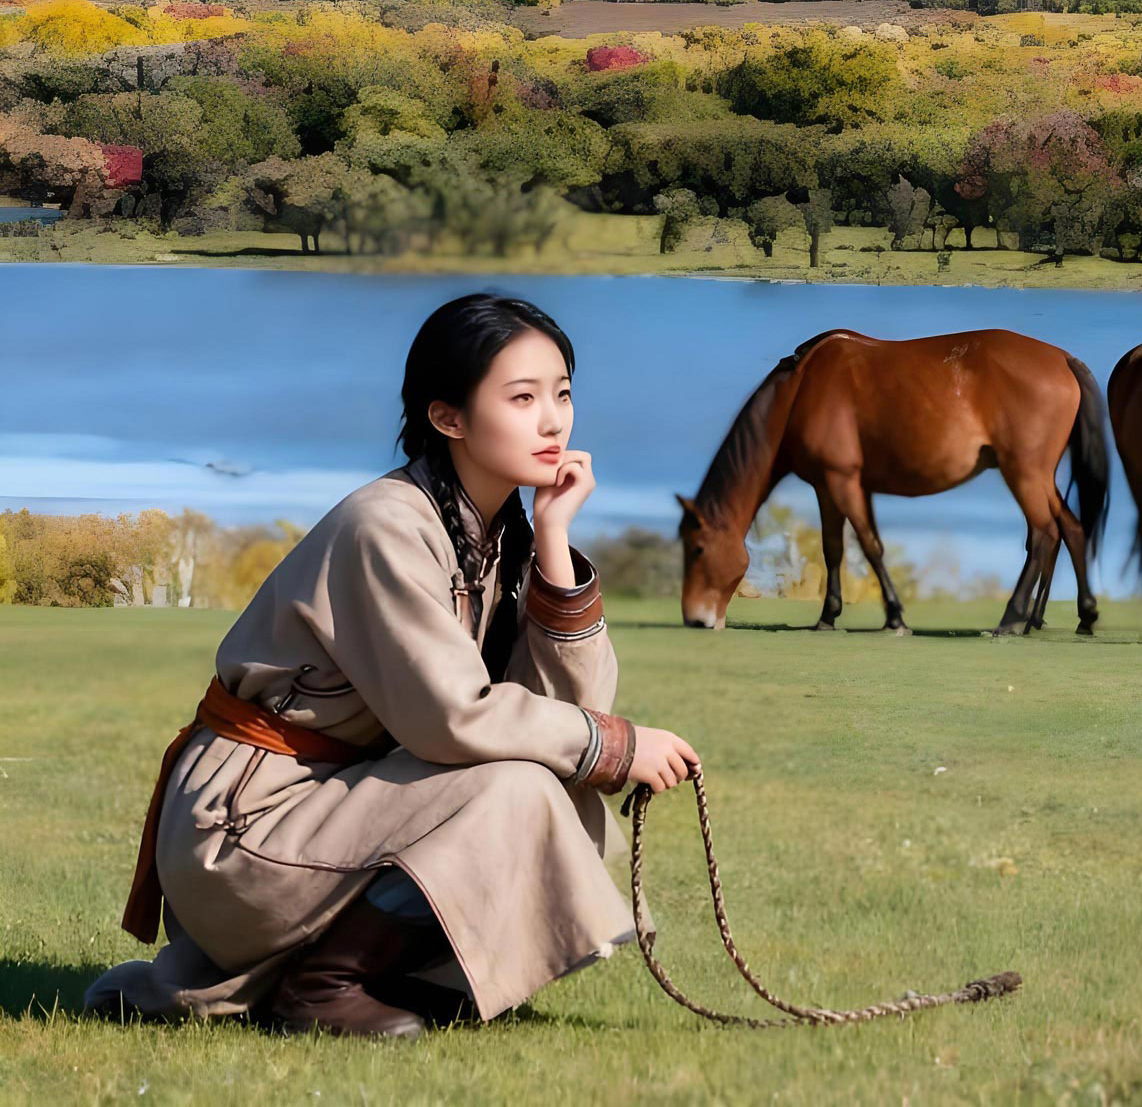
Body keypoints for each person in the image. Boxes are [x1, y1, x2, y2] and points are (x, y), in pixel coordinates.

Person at [85, 293, 702, 1036]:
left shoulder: (499, 532)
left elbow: (566, 709)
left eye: (562, 394)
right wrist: (621, 746)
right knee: (517, 788)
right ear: (449, 417)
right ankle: (322, 987)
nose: (552, 421)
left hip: (329, 803)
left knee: (551, 783)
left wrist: (553, 543)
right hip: (245, 825)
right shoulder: (385, 526)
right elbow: (454, 718)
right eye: (522, 397)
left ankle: (356, 974)